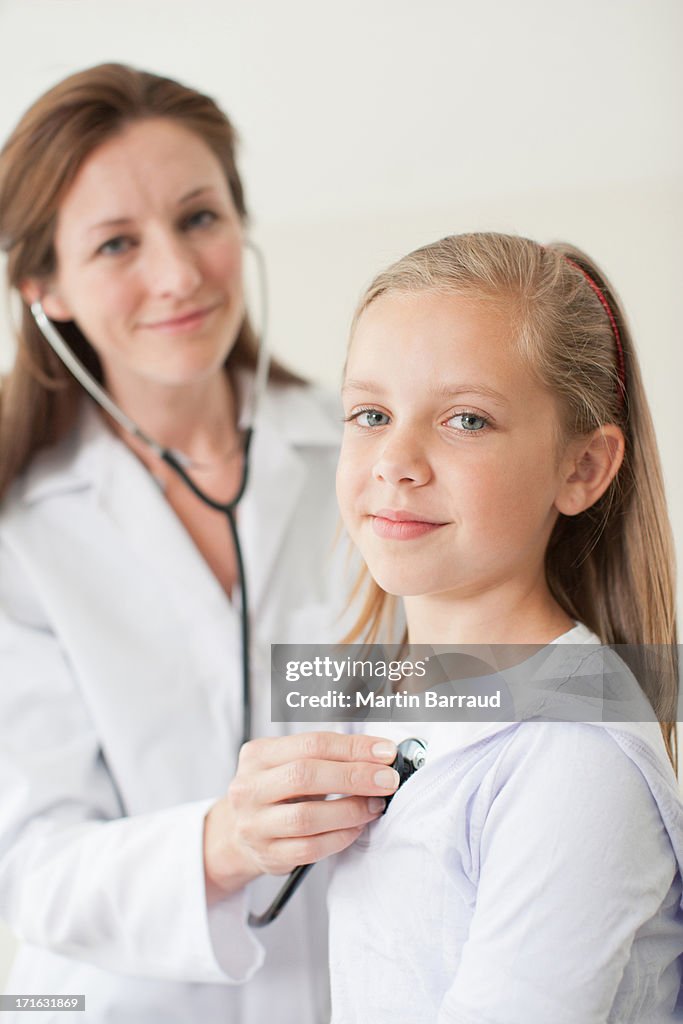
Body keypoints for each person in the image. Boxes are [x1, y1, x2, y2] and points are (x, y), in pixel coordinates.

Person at [0, 64, 401, 1023]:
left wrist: (594, 682)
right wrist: (224, 842)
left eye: (199, 218)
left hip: (379, 983)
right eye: (115, 244)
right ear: (44, 288)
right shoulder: (22, 541)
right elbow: (31, 868)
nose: (177, 275)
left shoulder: (378, 447)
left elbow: (534, 676)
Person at [330, 232, 683, 1022]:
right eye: (371, 412)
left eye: (465, 420)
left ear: (581, 468)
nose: (396, 459)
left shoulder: (574, 758)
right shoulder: (393, 699)